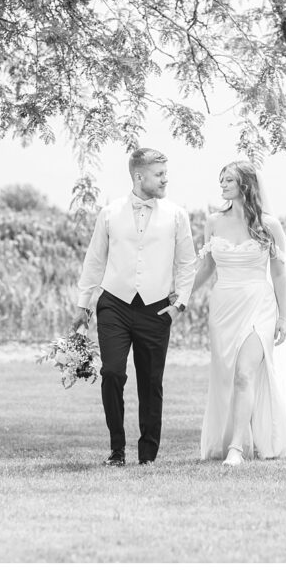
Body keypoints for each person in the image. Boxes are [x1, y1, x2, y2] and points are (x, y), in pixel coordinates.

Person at [192, 160, 286, 466]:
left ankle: (236, 448)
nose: (222, 186)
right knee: (226, 375)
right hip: (224, 306)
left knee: (244, 373)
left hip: (258, 305)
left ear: (245, 186)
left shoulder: (269, 225)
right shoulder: (213, 222)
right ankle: (237, 439)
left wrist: (283, 316)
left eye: (229, 181)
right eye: (221, 180)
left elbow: (278, 273)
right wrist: (180, 294)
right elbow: (207, 267)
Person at [71, 148, 197, 466]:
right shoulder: (110, 213)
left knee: (151, 382)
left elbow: (186, 263)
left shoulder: (176, 215)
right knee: (112, 372)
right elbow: (95, 259)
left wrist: (180, 302)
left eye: (166, 173)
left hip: (156, 308)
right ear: (139, 176)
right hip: (114, 303)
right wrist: (83, 305)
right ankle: (117, 449)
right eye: (159, 174)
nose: (165, 178)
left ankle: (147, 455)